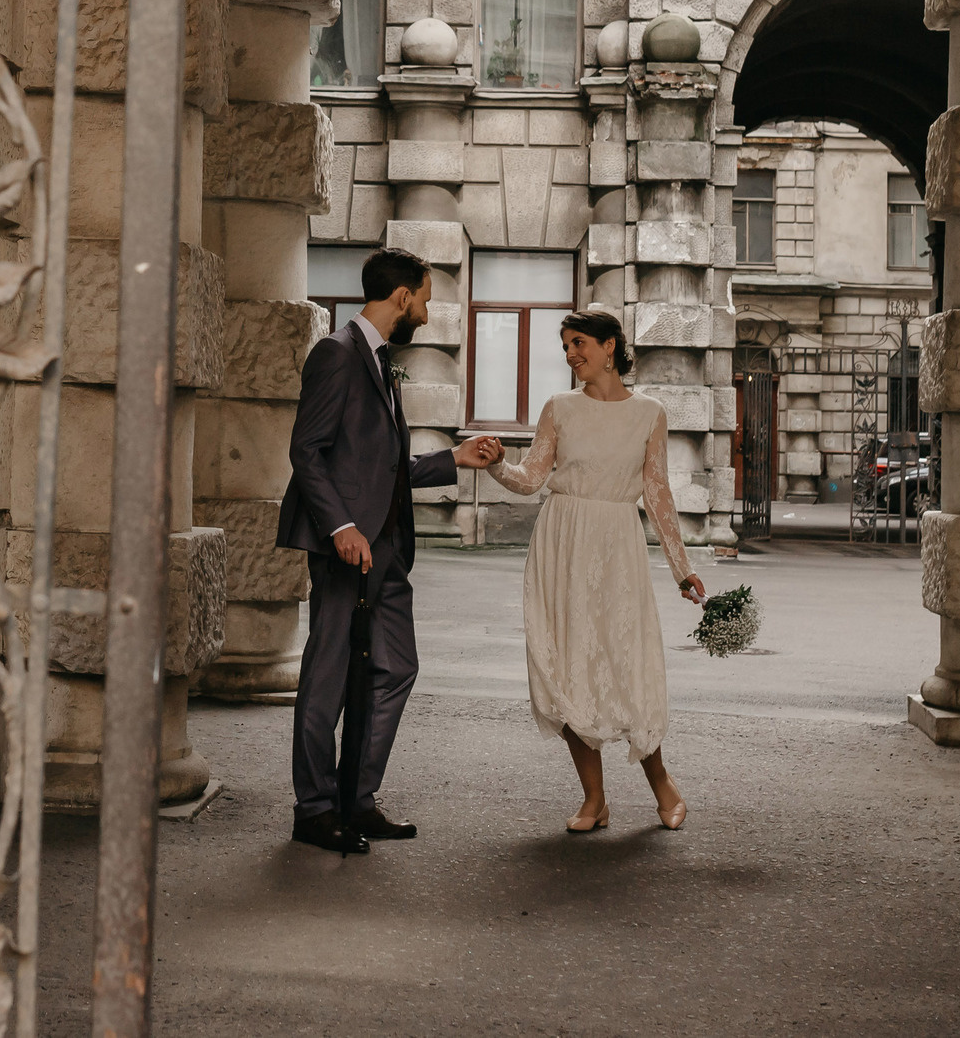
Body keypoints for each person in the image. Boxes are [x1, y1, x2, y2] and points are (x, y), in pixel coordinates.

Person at [279, 247, 504, 854]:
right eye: (425, 300)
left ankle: (357, 798)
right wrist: (340, 528)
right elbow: (307, 452)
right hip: (347, 548)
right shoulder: (336, 353)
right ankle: (315, 809)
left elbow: (380, 468)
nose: (426, 314)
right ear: (402, 296)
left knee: (396, 668)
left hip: (388, 550)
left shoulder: (380, 361)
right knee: (328, 677)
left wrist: (452, 458)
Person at [475, 309, 706, 833]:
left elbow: (658, 494)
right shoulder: (559, 407)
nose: (570, 354)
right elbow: (532, 478)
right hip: (562, 543)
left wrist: (682, 568)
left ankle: (663, 784)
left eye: (578, 343)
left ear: (609, 346)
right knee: (567, 667)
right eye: (565, 346)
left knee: (625, 664)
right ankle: (594, 799)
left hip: (617, 544)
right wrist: (497, 464)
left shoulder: (649, 412)